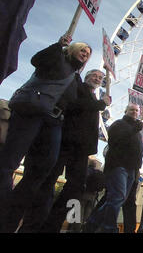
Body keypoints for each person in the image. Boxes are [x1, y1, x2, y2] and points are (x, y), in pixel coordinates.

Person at [0, 35, 91, 232]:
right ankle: (5, 207)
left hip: (54, 122)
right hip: (32, 113)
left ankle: (12, 210)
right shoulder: (57, 58)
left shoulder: (76, 78)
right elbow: (36, 60)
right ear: (72, 49)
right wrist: (59, 45)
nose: (86, 54)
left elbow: (78, 105)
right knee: (10, 162)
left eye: (88, 53)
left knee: (42, 170)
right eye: (83, 50)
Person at [19, 69, 110, 232]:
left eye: (100, 77)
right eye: (94, 76)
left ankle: (53, 223)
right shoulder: (78, 87)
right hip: (67, 142)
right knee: (49, 180)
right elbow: (75, 105)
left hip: (82, 148)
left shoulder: (94, 98)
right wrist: (101, 104)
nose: (97, 78)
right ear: (87, 77)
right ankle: (33, 222)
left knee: (77, 187)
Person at [84, 103, 143, 233]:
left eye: (136, 110)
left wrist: (138, 167)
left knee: (118, 199)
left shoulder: (138, 131)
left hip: (132, 170)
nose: (134, 112)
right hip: (118, 166)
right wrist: (133, 130)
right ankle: (109, 228)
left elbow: (139, 150)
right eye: (131, 110)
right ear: (126, 111)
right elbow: (115, 140)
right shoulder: (118, 124)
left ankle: (92, 224)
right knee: (117, 197)